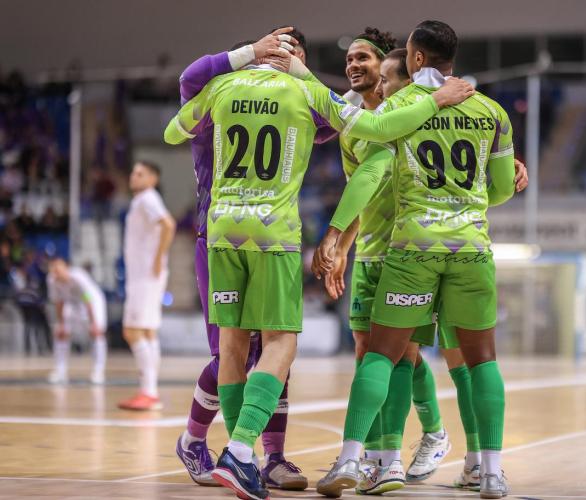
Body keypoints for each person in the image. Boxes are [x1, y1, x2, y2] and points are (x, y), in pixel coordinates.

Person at [164, 38, 474, 499]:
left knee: (231, 348)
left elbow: (173, 133)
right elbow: (371, 126)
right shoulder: (307, 93)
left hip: (222, 229)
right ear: (295, 60)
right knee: (283, 345)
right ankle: (242, 451)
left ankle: (248, 456)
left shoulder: (222, 86)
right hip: (275, 234)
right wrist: (436, 99)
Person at [313, 20, 516, 499]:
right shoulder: (492, 111)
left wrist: (336, 231)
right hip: (470, 249)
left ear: (417, 59)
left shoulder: (400, 107)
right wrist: (467, 205)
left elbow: (369, 175)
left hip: (412, 251)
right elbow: (505, 187)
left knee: (380, 355)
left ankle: (353, 458)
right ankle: (489, 472)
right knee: (481, 361)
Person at [173, 28, 318, 488]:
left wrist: (306, 78)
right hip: (215, 236)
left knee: (274, 349)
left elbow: (333, 121)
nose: (282, 62)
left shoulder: (292, 98)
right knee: (233, 351)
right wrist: (249, 53)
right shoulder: (221, 94)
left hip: (265, 234)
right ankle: (196, 440)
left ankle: (269, 457)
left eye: (292, 57)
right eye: (277, 52)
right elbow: (189, 78)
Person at [117, 161, 176, 411]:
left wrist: (158, 258)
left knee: (132, 331)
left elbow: (168, 224)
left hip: (145, 276)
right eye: (133, 172)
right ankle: (149, 391)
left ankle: (149, 392)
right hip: (144, 275)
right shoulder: (142, 199)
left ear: (153, 179)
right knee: (148, 332)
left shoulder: (148, 199)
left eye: (140, 173)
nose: (134, 176)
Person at [46, 257, 107, 384]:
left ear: (66, 268)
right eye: (53, 269)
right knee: (61, 333)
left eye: (58, 268)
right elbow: (59, 302)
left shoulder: (79, 277)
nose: (56, 271)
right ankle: (60, 372)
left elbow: (87, 298)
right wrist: (61, 323)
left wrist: (93, 323)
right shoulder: (51, 280)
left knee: (96, 333)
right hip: (72, 303)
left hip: (92, 301)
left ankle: (98, 372)